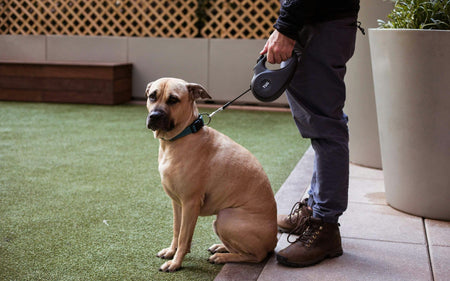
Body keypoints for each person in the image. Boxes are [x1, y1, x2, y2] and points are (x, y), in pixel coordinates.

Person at [260, 0, 361, 267]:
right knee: (322, 128)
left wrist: (285, 28)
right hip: (318, 21)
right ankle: (314, 209)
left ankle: (325, 226)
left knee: (326, 128)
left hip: (320, 24)